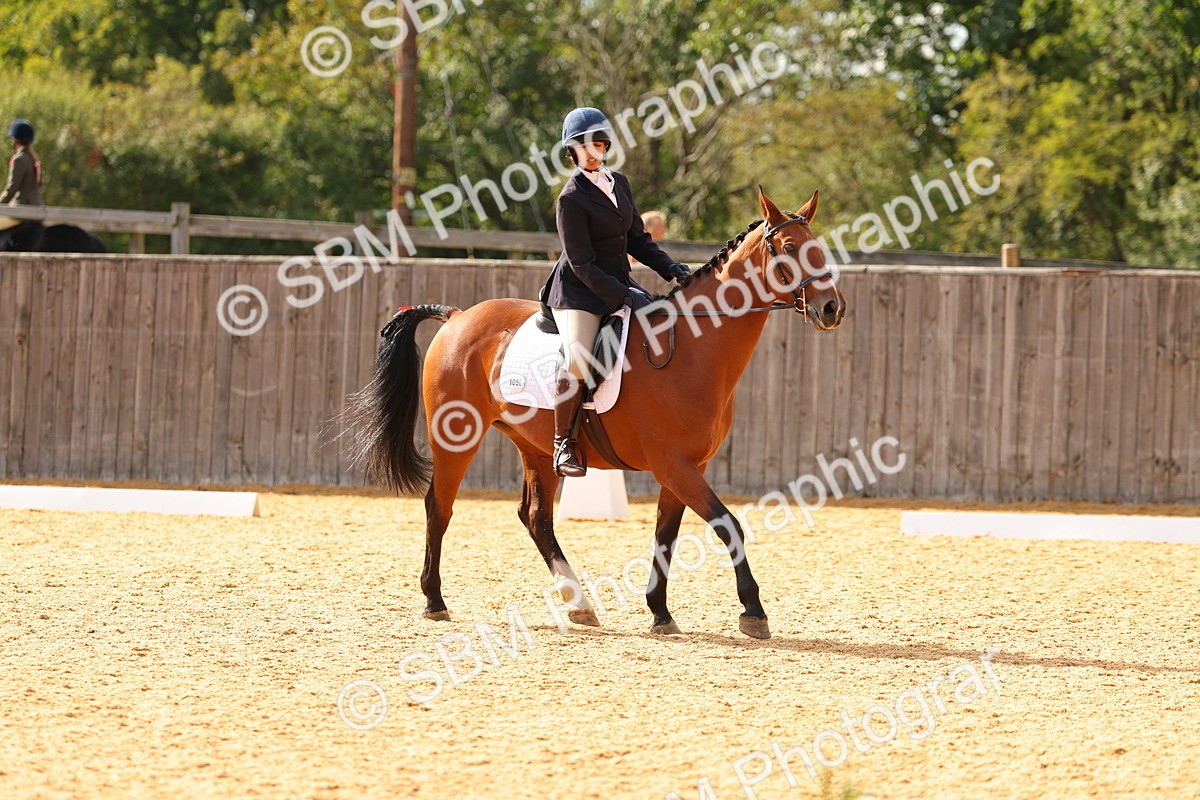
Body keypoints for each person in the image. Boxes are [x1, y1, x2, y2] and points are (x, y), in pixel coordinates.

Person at [540, 107, 691, 477]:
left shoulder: (619, 183)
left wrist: (668, 267)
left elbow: (637, 239)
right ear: (571, 152)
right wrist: (625, 296)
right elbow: (581, 264)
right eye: (583, 146)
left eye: (598, 144)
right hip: (578, 292)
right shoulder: (570, 199)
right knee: (577, 357)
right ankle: (564, 443)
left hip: (618, 282)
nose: (592, 151)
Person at [0, 119, 45, 251]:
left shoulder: (19, 159)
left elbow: (11, 189)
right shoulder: (33, 158)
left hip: (21, 210)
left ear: (15, 139)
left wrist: (0, 205)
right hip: (36, 209)